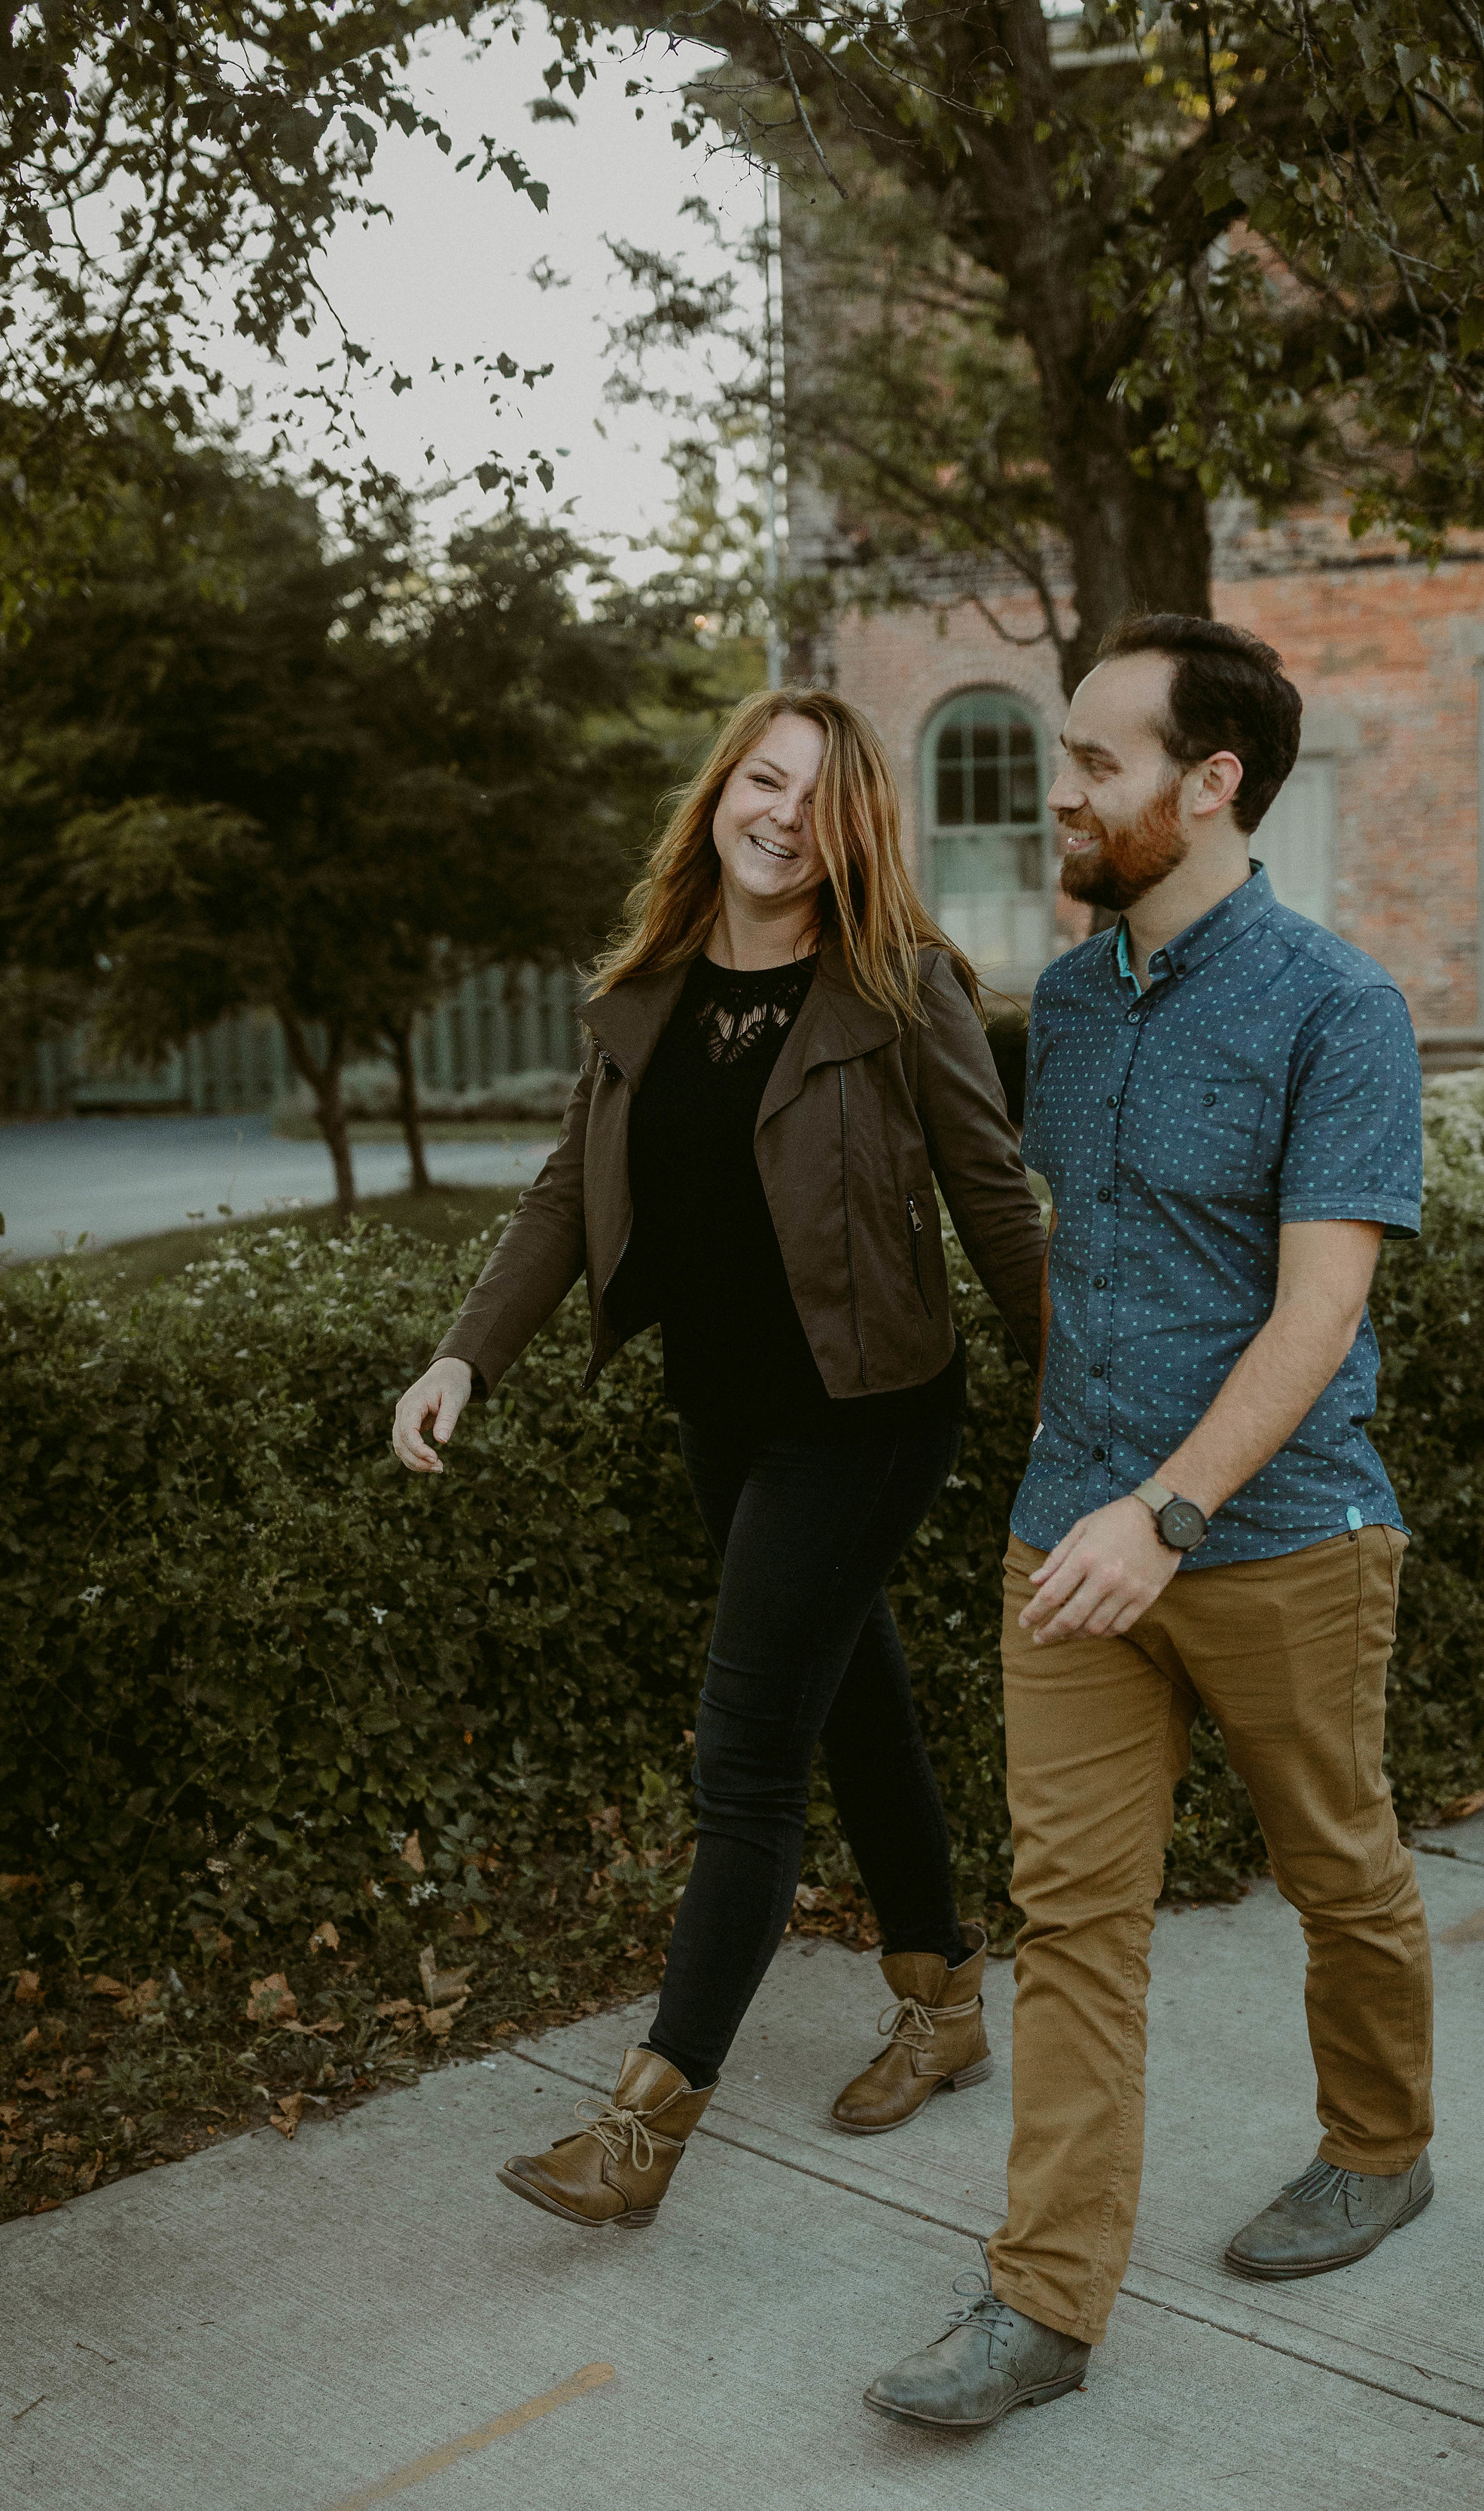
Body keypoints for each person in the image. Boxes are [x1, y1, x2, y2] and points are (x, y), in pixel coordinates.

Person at [864, 614, 1431, 2431]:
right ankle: (1042, 2307)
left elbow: (1315, 1310)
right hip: (1069, 1539)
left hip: (1275, 1537)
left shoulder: (1338, 1007)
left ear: (1213, 783)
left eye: (1101, 759)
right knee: (1075, 1920)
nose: (1064, 788)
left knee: (1337, 1860)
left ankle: (1380, 2144)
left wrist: (1168, 1509)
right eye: (1069, 751)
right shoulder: (1073, 1004)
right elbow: (1069, 1262)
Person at [392, 687, 1047, 2232]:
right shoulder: (653, 990)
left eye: (820, 802)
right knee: (856, 1692)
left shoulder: (902, 990)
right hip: (725, 1413)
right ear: (720, 793)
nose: (783, 818)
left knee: (746, 1758)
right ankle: (944, 1996)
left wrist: (1081, 1423)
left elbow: (997, 1209)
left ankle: (645, 2127)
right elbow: (570, 1189)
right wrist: (460, 1353)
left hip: (871, 1414)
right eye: (764, 782)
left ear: (856, 831)